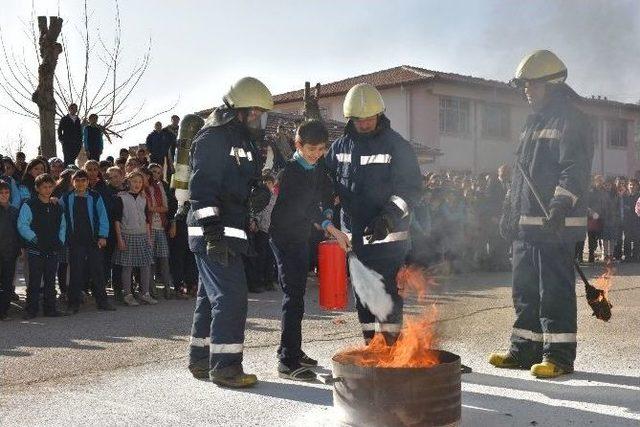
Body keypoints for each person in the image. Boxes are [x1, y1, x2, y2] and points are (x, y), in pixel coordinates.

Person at [491, 50, 594, 378]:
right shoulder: (532, 121)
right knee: (524, 291)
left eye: (532, 86)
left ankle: (559, 358)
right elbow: (522, 176)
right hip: (527, 227)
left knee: (554, 292)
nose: (527, 91)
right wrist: (510, 214)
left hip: (555, 225)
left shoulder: (571, 120)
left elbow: (574, 170)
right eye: (524, 86)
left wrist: (560, 206)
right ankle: (524, 351)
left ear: (551, 85)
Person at [187, 76, 273, 388]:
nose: (258, 119)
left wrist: (256, 194)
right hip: (213, 230)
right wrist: (212, 234)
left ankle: (200, 359)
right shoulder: (213, 137)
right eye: (255, 113)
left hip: (230, 229)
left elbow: (237, 187)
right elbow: (202, 190)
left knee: (209, 299)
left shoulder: (245, 142)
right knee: (231, 297)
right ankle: (225, 367)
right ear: (240, 110)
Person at [325, 83, 422, 345]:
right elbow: (325, 180)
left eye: (370, 118)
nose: (365, 123)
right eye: (359, 119)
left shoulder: (397, 146)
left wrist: (389, 217)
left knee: (388, 296)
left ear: (379, 114)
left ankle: (392, 350)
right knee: (364, 295)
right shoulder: (339, 147)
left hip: (388, 239)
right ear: (350, 118)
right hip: (354, 239)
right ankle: (371, 345)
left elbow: (411, 189)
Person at [269, 120, 349, 381]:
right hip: (285, 238)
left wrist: (328, 210)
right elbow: (306, 207)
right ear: (298, 145)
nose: (317, 154)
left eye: (321, 149)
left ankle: (290, 347)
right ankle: (287, 362)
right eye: (311, 149)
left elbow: (326, 194)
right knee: (293, 297)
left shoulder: (318, 167)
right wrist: (331, 227)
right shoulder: (291, 172)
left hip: (302, 236)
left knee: (298, 295)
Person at [60, 170, 115, 313]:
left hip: (93, 240)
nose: (80, 183)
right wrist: (54, 200)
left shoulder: (95, 196)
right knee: (76, 273)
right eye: (77, 180)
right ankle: (73, 304)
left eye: (83, 180)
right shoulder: (66, 198)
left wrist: (103, 236)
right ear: (73, 182)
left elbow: (103, 216)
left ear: (87, 182)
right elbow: (58, 210)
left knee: (97, 271)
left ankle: (102, 302)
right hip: (75, 241)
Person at [17, 173, 67, 319]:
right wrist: (33, 238)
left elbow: (63, 225)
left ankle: (50, 309)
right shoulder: (29, 204)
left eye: (50, 186)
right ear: (37, 188)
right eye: (44, 187)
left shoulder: (56, 206)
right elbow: (22, 224)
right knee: (34, 281)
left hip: (52, 249)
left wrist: (61, 240)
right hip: (35, 250)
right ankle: (31, 310)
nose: (47, 189)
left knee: (51, 281)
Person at [112, 170, 157, 306]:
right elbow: (116, 220)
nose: (137, 184)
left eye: (139, 182)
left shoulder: (144, 198)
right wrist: (120, 239)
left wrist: (149, 237)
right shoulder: (121, 197)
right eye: (134, 181)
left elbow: (147, 220)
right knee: (127, 266)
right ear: (128, 182)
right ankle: (128, 294)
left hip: (143, 235)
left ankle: (145, 293)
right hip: (127, 235)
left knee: (145, 265)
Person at [146, 163, 177, 298]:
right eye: (153, 171)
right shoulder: (145, 187)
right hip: (149, 227)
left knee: (164, 258)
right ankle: (152, 290)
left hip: (161, 226)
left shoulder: (162, 187)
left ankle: (167, 289)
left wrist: (154, 209)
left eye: (158, 172)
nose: (155, 174)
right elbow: (146, 208)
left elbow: (167, 208)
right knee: (150, 260)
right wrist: (154, 208)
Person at [0, 181, 19, 320]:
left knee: (7, 282)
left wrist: (20, 248)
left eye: (6, 192)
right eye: (1, 193)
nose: (4, 195)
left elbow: (18, 231)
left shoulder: (14, 210)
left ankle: (4, 310)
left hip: (10, 252)